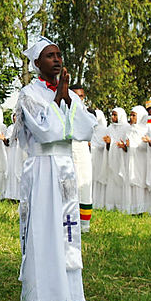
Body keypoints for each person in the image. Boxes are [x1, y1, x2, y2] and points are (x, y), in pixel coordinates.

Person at [14, 37, 96, 301]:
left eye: (59, 54)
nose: (57, 59)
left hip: (64, 167)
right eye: (50, 56)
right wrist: (60, 97)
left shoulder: (69, 93)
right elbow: (45, 132)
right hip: (42, 167)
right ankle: (41, 297)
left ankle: (66, 294)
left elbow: (85, 128)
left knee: (66, 231)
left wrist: (64, 95)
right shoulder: (29, 94)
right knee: (44, 229)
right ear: (37, 63)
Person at [69, 85, 93, 231]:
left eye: (81, 96)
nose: (79, 99)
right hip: (68, 152)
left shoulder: (87, 113)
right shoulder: (63, 111)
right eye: (76, 96)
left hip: (82, 153)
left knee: (84, 185)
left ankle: (84, 225)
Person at [104, 107, 130, 213]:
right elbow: (108, 145)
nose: (113, 117)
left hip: (122, 158)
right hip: (112, 158)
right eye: (112, 115)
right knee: (112, 180)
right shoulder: (109, 128)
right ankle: (112, 205)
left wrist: (114, 142)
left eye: (115, 115)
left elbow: (126, 145)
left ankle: (122, 205)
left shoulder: (126, 128)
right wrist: (109, 143)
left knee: (121, 180)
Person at [89, 109, 108, 211]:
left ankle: (99, 202)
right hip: (90, 156)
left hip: (99, 157)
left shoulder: (104, 129)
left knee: (98, 178)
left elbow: (103, 145)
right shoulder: (90, 128)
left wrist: (92, 145)